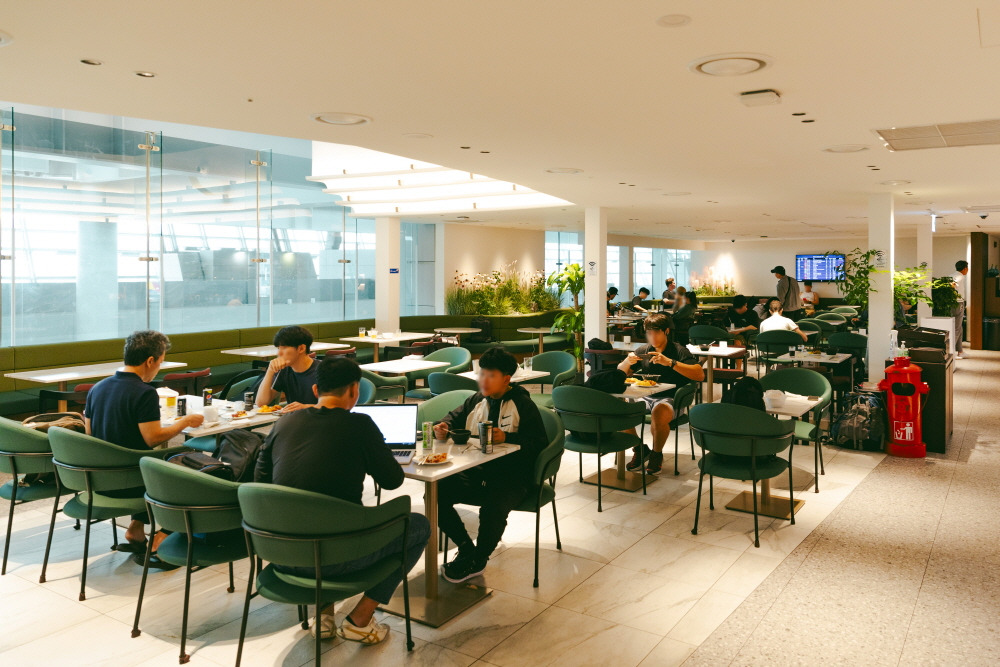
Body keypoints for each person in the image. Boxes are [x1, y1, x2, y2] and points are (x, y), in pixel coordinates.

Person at [255, 357, 429, 645]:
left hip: (280, 553)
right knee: (419, 526)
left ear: (315, 390)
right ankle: (360, 620)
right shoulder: (360, 425)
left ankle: (324, 616)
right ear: (354, 390)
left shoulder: (284, 423)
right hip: (337, 559)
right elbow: (392, 481)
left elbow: (260, 480)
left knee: (318, 517)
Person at [84, 330, 204, 567]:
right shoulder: (144, 392)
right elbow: (152, 439)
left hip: (99, 480)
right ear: (150, 361)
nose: (159, 367)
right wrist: (185, 422)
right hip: (131, 482)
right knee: (189, 460)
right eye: (160, 362)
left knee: (143, 459)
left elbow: (89, 434)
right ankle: (164, 536)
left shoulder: (97, 388)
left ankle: (136, 529)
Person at [432, 346, 547, 583]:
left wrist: (508, 437)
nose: (483, 380)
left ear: (506, 379)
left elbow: (539, 442)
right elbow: (452, 418)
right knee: (435, 493)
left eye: (491, 375)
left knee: (493, 507)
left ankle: (479, 558)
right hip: (476, 472)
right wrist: (442, 426)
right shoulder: (476, 400)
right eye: (482, 373)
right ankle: (466, 547)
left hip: (512, 477)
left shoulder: (522, 404)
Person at [619, 313, 705, 474]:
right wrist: (626, 362)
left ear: (666, 331)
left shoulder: (679, 350)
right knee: (619, 411)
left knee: (659, 413)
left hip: (672, 398)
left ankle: (656, 454)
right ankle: (639, 449)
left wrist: (670, 362)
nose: (652, 337)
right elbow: (620, 372)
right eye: (649, 333)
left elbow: (699, 374)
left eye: (656, 332)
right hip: (644, 396)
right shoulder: (644, 350)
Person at [255, 325, 318, 412]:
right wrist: (270, 371)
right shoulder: (284, 370)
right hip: (295, 418)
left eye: (284, 348)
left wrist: (305, 407)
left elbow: (336, 406)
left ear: (301, 348)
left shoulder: (324, 370)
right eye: (278, 348)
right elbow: (261, 403)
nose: (279, 353)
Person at [952, 260, 968, 358]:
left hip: (953, 303)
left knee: (959, 328)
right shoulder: (960, 276)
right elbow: (953, 284)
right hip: (958, 303)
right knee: (957, 328)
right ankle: (951, 352)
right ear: (965, 268)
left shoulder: (952, 275)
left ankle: (960, 351)